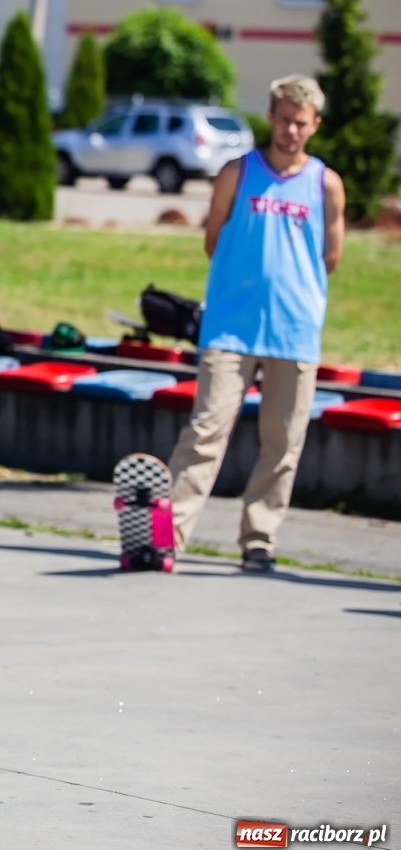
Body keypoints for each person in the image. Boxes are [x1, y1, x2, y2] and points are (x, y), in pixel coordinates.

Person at [166, 75, 345, 573]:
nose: (291, 130)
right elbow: (213, 238)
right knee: (206, 431)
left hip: (295, 330)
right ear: (270, 117)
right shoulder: (238, 172)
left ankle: (259, 536)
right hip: (231, 326)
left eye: (301, 123)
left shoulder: (326, 184)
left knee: (283, 440)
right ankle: (168, 535)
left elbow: (331, 256)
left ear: (315, 126)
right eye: (284, 119)